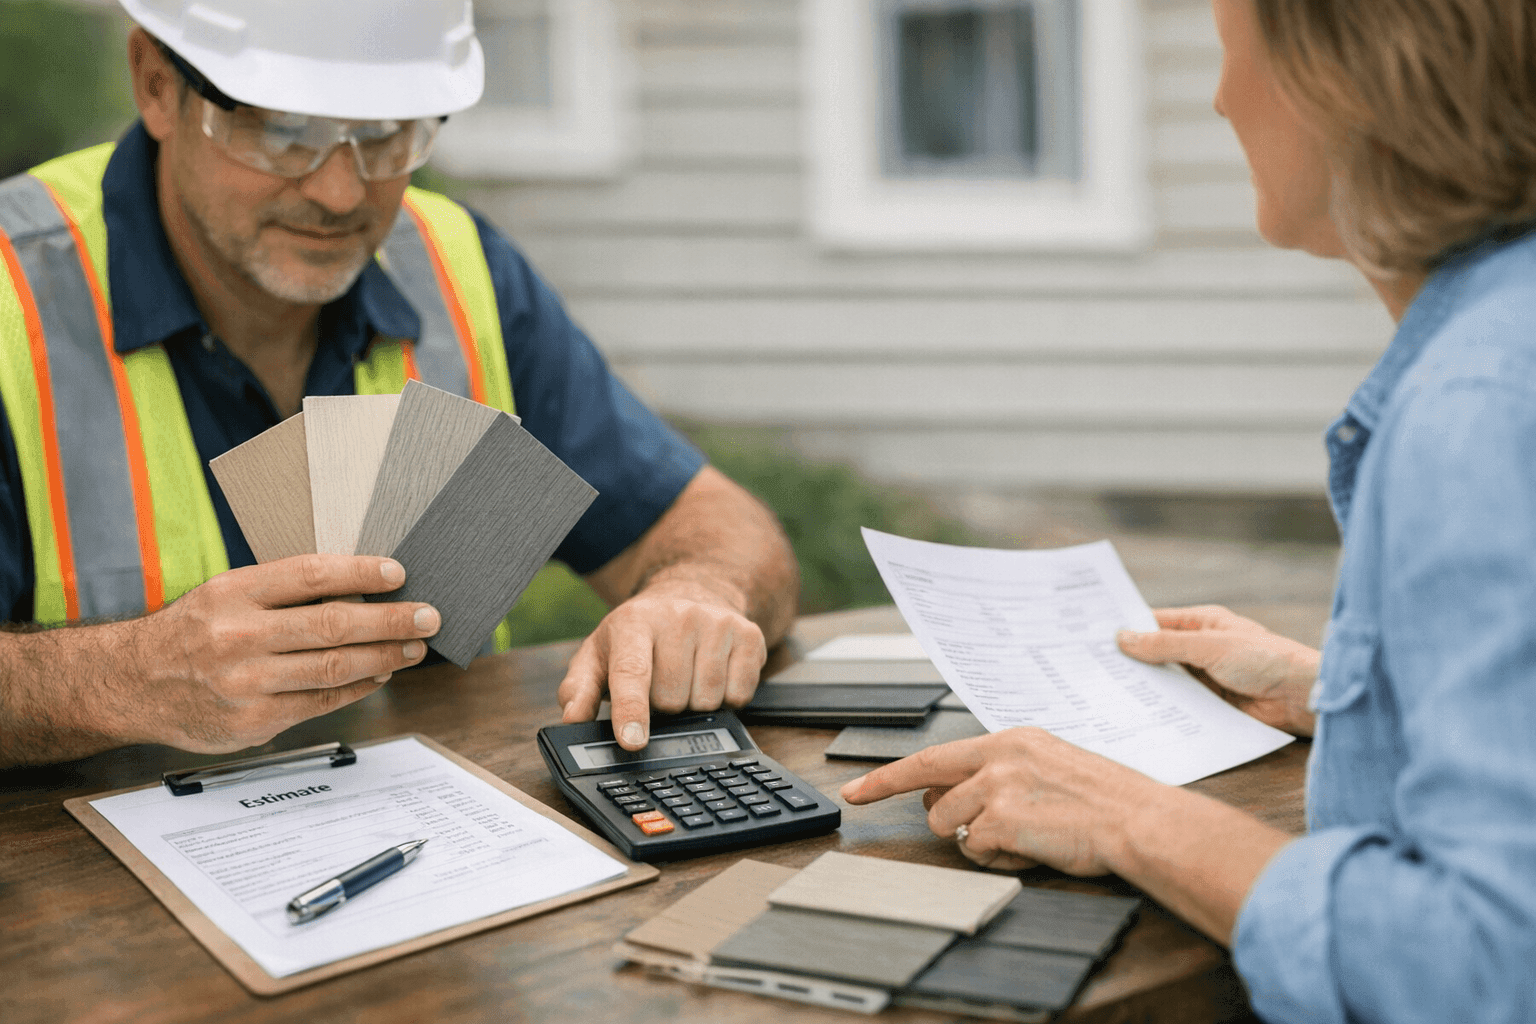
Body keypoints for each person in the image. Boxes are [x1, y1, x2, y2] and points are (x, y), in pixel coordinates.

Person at [842, 0, 1536, 1019]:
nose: (1219, 99)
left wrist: (1127, 815)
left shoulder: (1473, 408)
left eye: (1230, 48)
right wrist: (1341, 687)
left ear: (1343, 72)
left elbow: (1487, 964)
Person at [0, 1, 797, 769]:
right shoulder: (13, 294)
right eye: (283, 131)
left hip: (443, 849)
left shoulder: (457, 268)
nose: (340, 194)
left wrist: (699, 592)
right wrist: (122, 676)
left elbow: (715, 521)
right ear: (155, 84)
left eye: (385, 136)